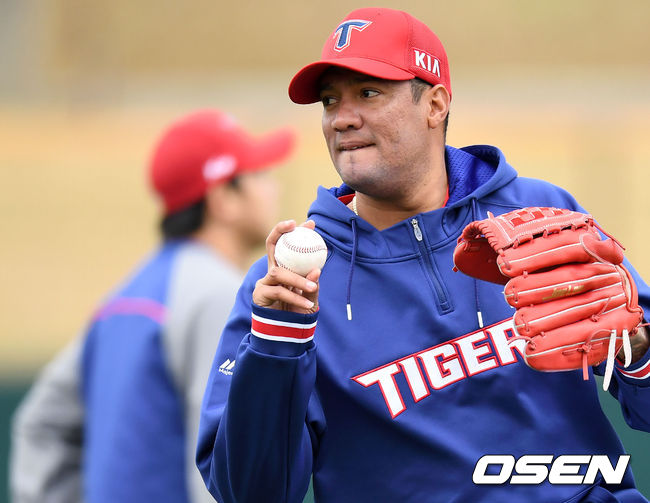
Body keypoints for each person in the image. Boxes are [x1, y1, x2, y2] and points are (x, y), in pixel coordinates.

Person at [196, 7, 650, 503]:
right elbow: (249, 493)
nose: (342, 118)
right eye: (330, 101)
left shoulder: (541, 214)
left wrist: (636, 350)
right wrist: (277, 344)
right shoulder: (290, 286)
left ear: (434, 105)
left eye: (368, 93)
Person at [10, 109, 295, 503]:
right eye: (259, 174)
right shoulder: (219, 294)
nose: (275, 186)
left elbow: (42, 424)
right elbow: (221, 455)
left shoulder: (124, 296)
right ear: (223, 200)